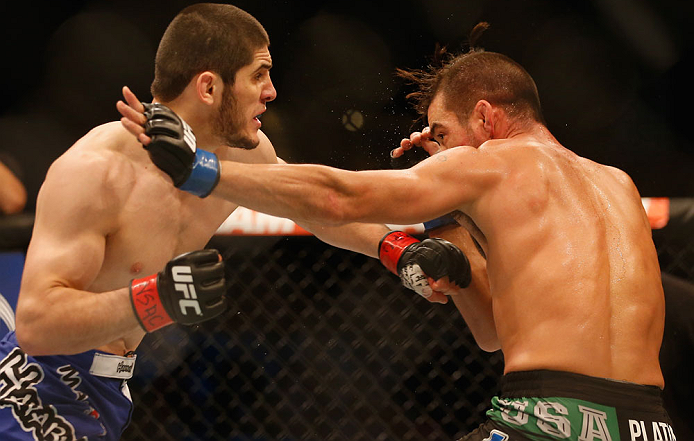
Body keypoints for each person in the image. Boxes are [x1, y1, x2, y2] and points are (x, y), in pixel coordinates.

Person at [119, 23, 676, 440]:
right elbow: (492, 335)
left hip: (548, 419)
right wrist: (444, 221)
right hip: (653, 425)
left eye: (441, 132)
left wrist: (201, 169)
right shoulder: (619, 184)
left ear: (485, 117)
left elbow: (341, 197)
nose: (436, 148)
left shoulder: (494, 161)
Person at [5, 3, 466, 441]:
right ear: (209, 88)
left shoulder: (240, 156)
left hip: (110, 389)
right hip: (37, 387)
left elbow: (316, 208)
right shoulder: (98, 171)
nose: (272, 91)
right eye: (258, 75)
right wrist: (156, 299)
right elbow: (36, 324)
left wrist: (395, 249)